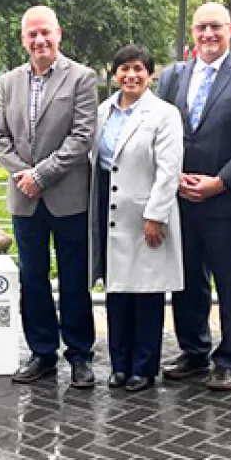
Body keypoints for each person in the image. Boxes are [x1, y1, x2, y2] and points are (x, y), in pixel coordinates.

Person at [157, 3, 231, 391]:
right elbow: (159, 130)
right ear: (192, 31)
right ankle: (193, 352)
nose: (208, 34)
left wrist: (219, 182)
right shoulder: (173, 76)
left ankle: (230, 359)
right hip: (181, 199)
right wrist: (172, 179)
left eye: (216, 27)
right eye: (201, 27)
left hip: (230, 200)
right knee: (186, 281)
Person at [0, 6, 98, 389]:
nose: (39, 41)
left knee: (73, 280)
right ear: (23, 39)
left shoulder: (82, 78)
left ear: (59, 35)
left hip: (68, 198)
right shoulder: (9, 82)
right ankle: (41, 353)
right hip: (25, 200)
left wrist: (41, 174)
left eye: (45, 33)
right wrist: (24, 175)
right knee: (32, 279)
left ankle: (81, 356)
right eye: (32, 34)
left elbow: (82, 136)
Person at [90, 45, 184, 392]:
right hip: (109, 210)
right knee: (117, 291)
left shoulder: (164, 114)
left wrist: (156, 215)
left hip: (145, 215)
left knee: (146, 293)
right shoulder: (103, 111)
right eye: (124, 69)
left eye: (138, 69)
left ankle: (143, 368)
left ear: (150, 74)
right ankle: (119, 365)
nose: (131, 75)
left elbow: (168, 168)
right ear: (114, 73)